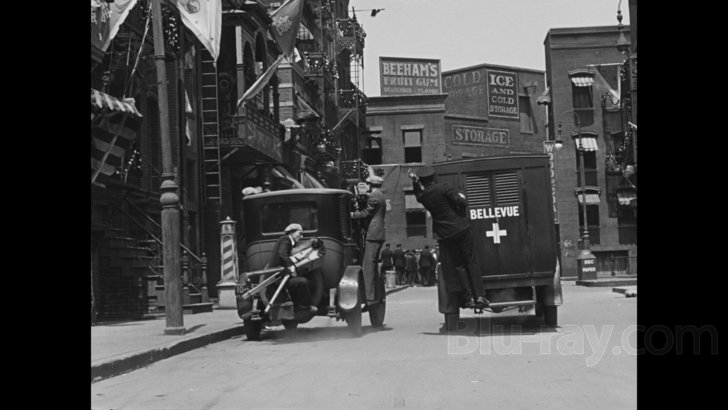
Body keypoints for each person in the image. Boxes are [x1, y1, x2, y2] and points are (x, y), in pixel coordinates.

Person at [410, 166, 489, 308]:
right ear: (433, 178)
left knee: (459, 265)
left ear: (422, 180)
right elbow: (460, 202)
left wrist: (415, 182)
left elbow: (417, 195)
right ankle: (480, 295)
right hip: (460, 228)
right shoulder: (443, 188)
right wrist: (462, 197)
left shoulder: (424, 196)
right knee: (471, 261)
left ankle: (469, 297)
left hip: (445, 234)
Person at [350, 174, 387, 305]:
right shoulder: (381, 195)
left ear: (371, 185)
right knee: (372, 265)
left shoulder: (374, 196)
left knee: (368, 266)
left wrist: (353, 214)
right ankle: (373, 294)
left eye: (367, 184)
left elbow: (366, 212)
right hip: (378, 233)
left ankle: (369, 297)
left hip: (373, 233)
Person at [268, 223, 317, 313]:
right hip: (278, 278)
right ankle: (305, 306)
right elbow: (282, 253)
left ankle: (298, 305)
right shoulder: (286, 239)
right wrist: (291, 266)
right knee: (303, 282)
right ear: (292, 232)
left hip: (281, 277)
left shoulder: (288, 242)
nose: (301, 236)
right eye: (300, 233)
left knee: (305, 282)